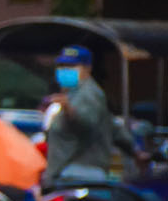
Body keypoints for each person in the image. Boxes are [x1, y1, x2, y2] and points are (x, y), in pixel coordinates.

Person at [42, 45, 142, 186]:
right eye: (62, 65)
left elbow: (86, 124)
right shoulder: (74, 93)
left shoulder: (88, 93)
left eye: (71, 66)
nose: (65, 70)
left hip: (76, 174)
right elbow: (113, 128)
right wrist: (136, 152)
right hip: (74, 172)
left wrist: (69, 110)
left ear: (87, 69)